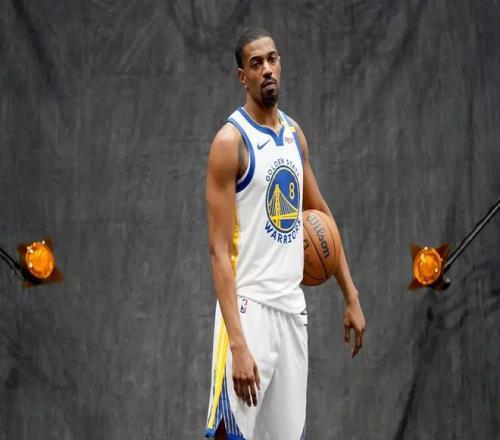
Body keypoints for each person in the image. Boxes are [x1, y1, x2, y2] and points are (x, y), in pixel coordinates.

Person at [204, 27, 366, 440]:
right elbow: (218, 252)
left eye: (272, 59)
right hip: (249, 309)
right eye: (256, 63)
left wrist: (350, 295)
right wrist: (238, 344)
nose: (267, 69)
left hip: (292, 311)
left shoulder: (294, 135)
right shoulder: (230, 142)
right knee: (228, 435)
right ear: (243, 76)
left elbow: (320, 214)